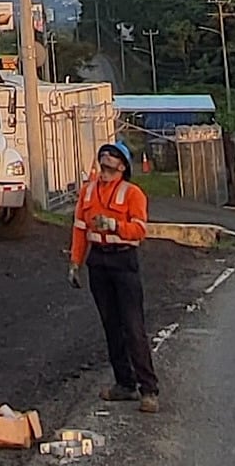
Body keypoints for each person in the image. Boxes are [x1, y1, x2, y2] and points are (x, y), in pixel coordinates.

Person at [69, 141, 158, 412]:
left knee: (133, 326)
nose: (105, 170)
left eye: (111, 165)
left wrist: (115, 226)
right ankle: (125, 384)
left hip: (123, 260)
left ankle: (148, 389)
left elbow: (139, 230)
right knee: (111, 325)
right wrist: (75, 262)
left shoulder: (133, 194)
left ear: (122, 168)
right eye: (103, 164)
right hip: (98, 261)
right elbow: (79, 229)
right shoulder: (87, 192)